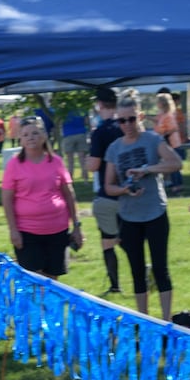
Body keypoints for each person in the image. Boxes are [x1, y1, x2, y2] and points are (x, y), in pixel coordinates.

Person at [102, 93, 183, 321]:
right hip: (129, 217)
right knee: (137, 271)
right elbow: (109, 186)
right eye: (121, 120)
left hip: (155, 212)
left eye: (131, 119)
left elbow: (175, 163)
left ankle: (166, 322)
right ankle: (145, 321)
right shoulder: (114, 148)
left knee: (160, 268)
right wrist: (125, 190)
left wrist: (147, 170)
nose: (126, 125)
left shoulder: (152, 140)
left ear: (140, 116)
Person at [2, 116, 82, 278]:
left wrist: (77, 226)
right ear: (20, 139)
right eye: (25, 134)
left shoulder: (56, 162)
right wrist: (13, 230)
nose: (30, 137)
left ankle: (48, 305)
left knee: (53, 280)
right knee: (34, 280)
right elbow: (7, 199)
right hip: (27, 232)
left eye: (35, 133)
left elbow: (69, 194)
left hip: (57, 230)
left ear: (44, 135)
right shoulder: (14, 164)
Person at [84, 86, 123, 294]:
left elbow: (94, 164)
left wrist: (87, 161)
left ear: (99, 105)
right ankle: (143, 274)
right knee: (129, 238)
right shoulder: (127, 126)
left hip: (107, 193)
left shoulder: (100, 132)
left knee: (108, 241)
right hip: (129, 190)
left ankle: (115, 285)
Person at [152, 91, 186, 196]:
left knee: (174, 165)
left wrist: (164, 135)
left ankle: (178, 186)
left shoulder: (169, 115)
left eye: (158, 102)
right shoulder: (161, 114)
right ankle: (175, 185)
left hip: (172, 143)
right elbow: (156, 121)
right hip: (166, 143)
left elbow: (173, 128)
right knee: (170, 166)